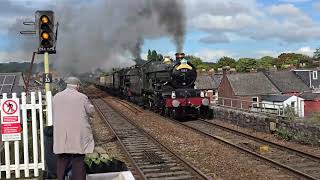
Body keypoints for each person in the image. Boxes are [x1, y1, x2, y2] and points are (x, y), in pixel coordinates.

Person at [53, 77, 95, 180]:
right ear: (77, 86)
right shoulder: (82, 97)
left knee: (62, 158)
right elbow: (91, 111)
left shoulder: (56, 96)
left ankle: (60, 178)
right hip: (78, 133)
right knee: (78, 159)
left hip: (62, 132)